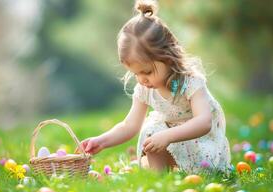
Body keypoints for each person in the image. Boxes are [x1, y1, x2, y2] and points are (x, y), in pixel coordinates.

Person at [78, 0, 231, 173]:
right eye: (136, 74)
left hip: (201, 145)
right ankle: (159, 179)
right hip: (168, 140)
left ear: (167, 57)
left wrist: (168, 136)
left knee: (157, 132)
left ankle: (189, 172)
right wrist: (102, 141)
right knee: (151, 129)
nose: (142, 79)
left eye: (147, 72)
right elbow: (130, 125)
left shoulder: (190, 82)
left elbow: (204, 122)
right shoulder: (145, 89)